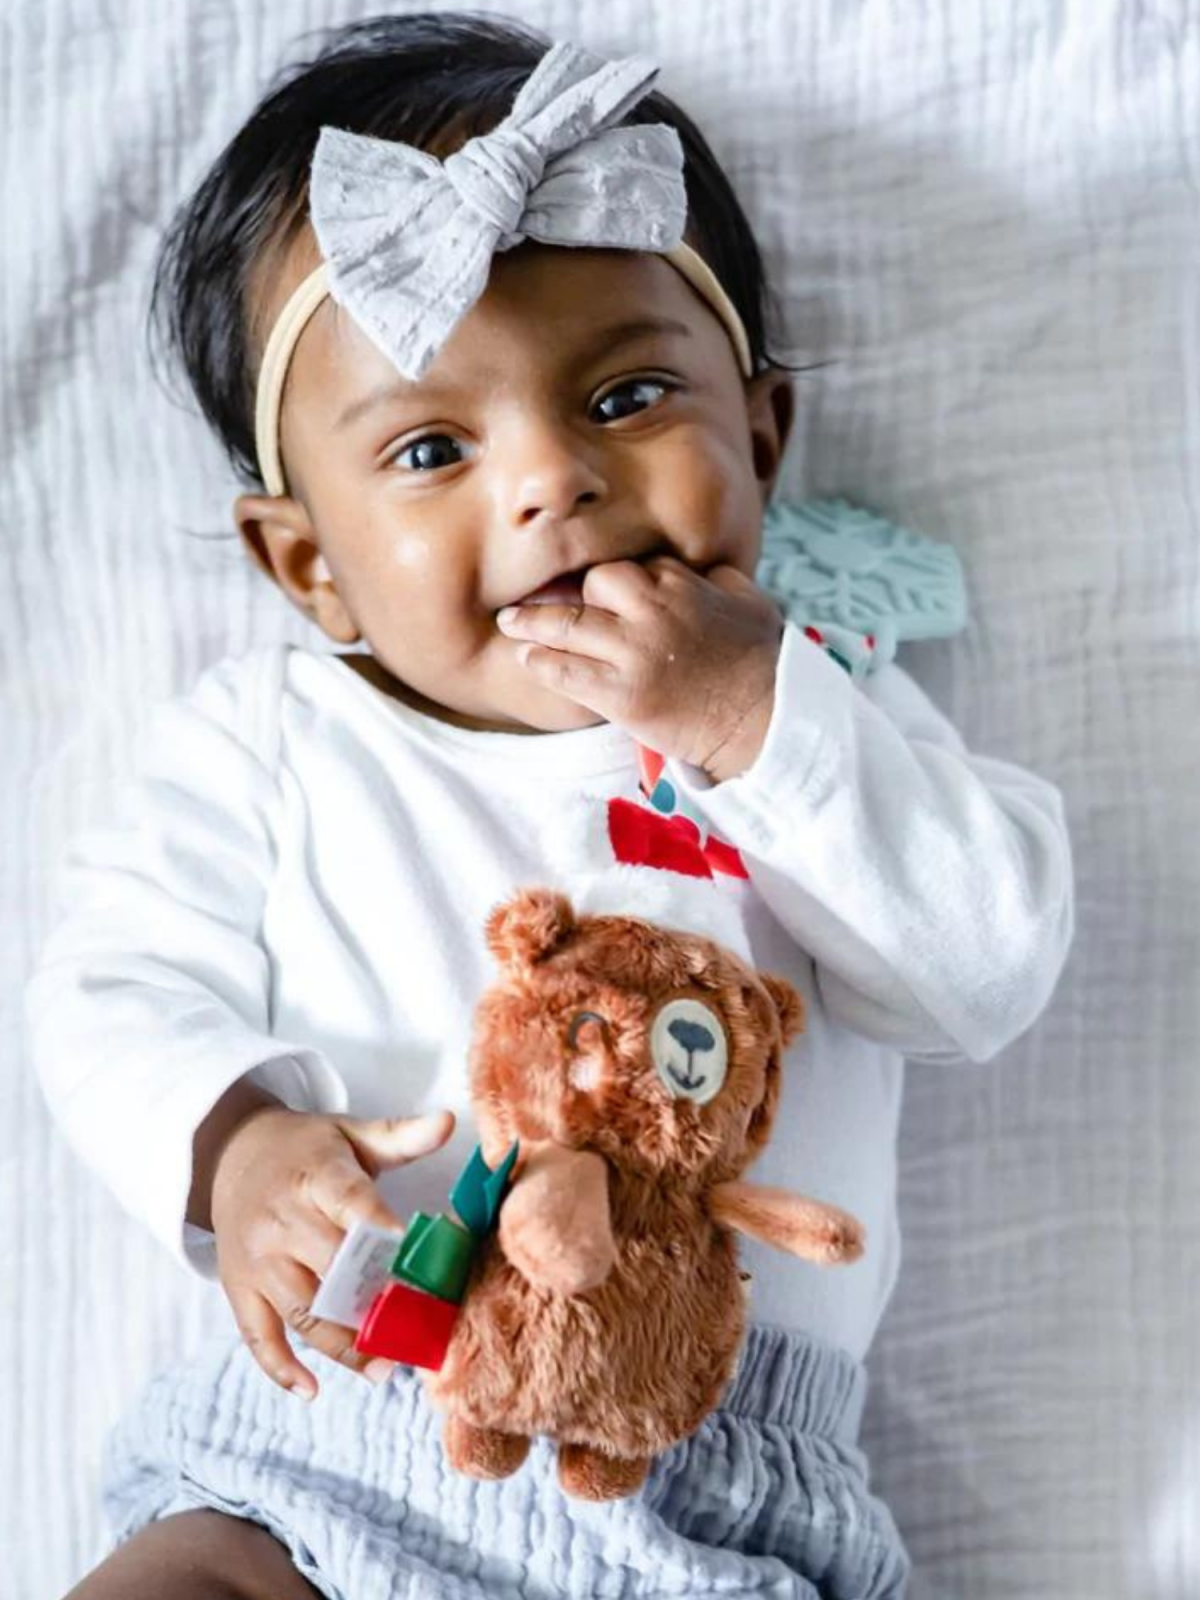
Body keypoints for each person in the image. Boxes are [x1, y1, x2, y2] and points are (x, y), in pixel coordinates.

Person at [24, 12, 1075, 1599]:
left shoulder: (820, 708)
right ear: (310, 565)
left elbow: (983, 971)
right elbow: (106, 988)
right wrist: (232, 1147)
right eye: (434, 444)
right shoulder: (279, 740)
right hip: (328, 1429)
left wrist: (756, 719)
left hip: (713, 1481)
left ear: (762, 436)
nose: (548, 484)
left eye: (626, 395)